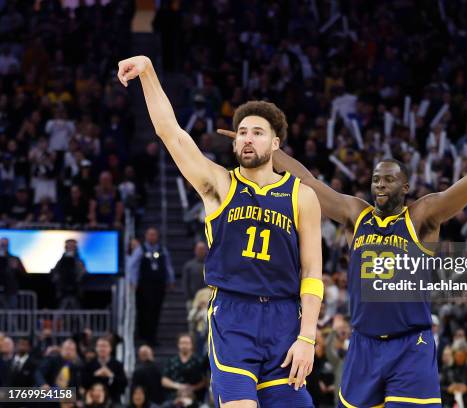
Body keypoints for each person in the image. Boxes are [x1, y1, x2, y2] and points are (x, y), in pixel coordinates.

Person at [219, 90, 467, 407]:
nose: (379, 184)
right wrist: (258, 145)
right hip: (362, 345)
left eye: (388, 179)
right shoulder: (357, 214)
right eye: (375, 179)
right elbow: (307, 180)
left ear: (406, 186)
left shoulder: (423, 216)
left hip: (410, 346)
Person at [118, 55, 323, 407]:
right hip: (233, 316)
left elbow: (312, 272)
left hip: (285, 318)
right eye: (242, 132)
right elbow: (171, 133)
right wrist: (149, 71)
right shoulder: (220, 185)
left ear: (275, 143)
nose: (247, 139)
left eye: (258, 133)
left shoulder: (302, 196)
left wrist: (307, 337)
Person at [127, 227, 176, 345]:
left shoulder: (162, 250)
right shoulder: (140, 249)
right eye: (150, 234)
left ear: (157, 236)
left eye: (154, 235)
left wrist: (171, 280)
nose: (152, 237)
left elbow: (168, 266)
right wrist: (133, 282)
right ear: (146, 236)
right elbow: (133, 266)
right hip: (144, 286)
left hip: (158, 286)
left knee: (156, 311)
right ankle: (144, 335)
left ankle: (152, 336)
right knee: (145, 310)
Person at [161, 334, 208, 404]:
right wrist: (179, 386)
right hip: (174, 398)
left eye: (187, 343)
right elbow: (164, 381)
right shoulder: (171, 360)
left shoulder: (199, 361)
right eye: (182, 343)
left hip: (195, 398)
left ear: (192, 345)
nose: (184, 345)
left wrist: (192, 388)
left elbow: (205, 381)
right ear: (178, 344)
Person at [82, 337, 127, 406]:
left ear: (110, 348)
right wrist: (95, 375)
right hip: (92, 401)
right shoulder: (89, 364)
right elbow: (84, 384)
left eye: (105, 346)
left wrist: (111, 376)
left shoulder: (118, 364)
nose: (102, 349)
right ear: (96, 348)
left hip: (113, 400)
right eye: (100, 346)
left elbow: (123, 385)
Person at [50, 239, 86, 309]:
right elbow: (56, 272)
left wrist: (78, 279)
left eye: (72, 246)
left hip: (75, 289)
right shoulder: (61, 261)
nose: (70, 247)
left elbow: (82, 272)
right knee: (62, 307)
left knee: (77, 308)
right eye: (68, 246)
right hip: (63, 289)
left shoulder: (79, 261)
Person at [0, 237, 25, 309]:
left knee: (12, 312)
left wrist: (16, 268)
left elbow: (23, 274)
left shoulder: (14, 258)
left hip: (11, 290)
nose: (3, 247)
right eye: (2, 244)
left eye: (5, 245)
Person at [182, 241, 207, 311]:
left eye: (202, 249)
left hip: (207, 299)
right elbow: (185, 283)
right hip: (192, 299)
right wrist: (188, 298)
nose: (201, 251)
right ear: (195, 250)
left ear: (206, 250)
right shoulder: (189, 265)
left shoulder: (211, 265)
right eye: (199, 249)